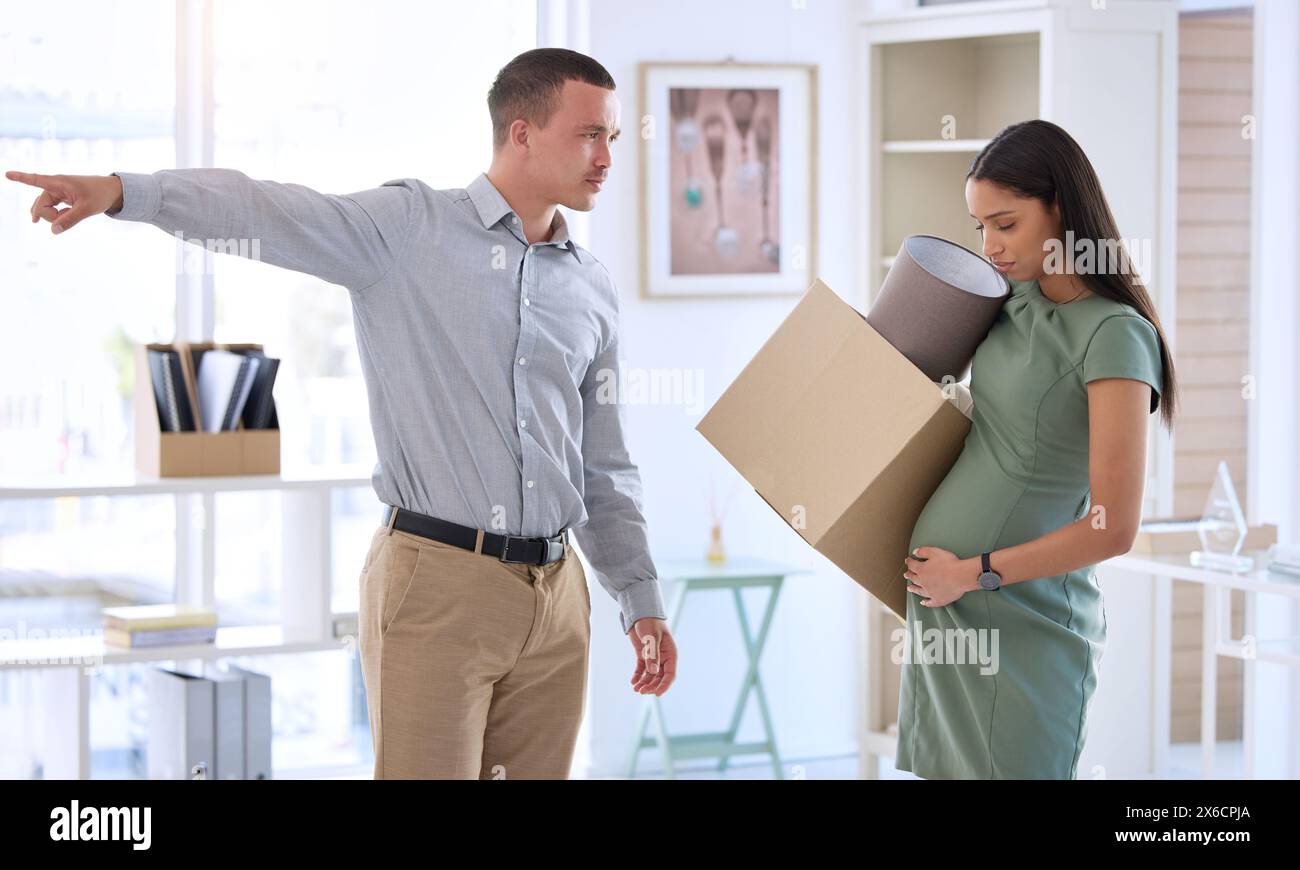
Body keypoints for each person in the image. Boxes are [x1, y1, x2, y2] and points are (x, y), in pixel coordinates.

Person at [7, 47, 677, 780]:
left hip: (559, 603)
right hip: (440, 585)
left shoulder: (591, 286)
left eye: (612, 137)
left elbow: (604, 465)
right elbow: (265, 208)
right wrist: (121, 191)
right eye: (589, 134)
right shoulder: (408, 230)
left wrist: (639, 597)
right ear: (521, 132)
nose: (607, 156)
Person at [896, 119, 1179, 779]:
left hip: (1023, 620)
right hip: (949, 616)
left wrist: (974, 571)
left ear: (1060, 208)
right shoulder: (1006, 301)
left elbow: (1114, 529)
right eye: (979, 228)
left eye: (1006, 224)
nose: (990, 246)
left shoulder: (1114, 335)